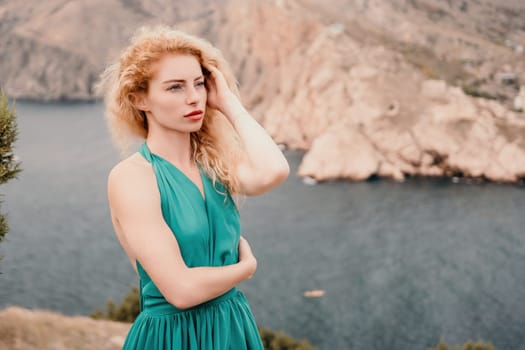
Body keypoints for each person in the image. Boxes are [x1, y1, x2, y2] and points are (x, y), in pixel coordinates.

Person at [98, 25, 290, 349]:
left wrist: (228, 102)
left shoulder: (214, 165)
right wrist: (245, 269)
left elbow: (274, 170)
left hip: (232, 328)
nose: (194, 98)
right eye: (175, 87)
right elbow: (181, 291)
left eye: (199, 83)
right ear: (139, 98)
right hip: (172, 338)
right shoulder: (132, 177)